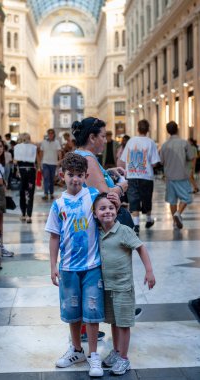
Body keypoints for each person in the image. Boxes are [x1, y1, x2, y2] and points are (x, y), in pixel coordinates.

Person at [45, 153, 120, 377]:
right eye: (71, 175)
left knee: (93, 311)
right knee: (73, 312)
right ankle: (77, 350)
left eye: (79, 175)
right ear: (62, 176)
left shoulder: (93, 195)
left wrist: (116, 196)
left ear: (86, 176)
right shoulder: (58, 205)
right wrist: (52, 265)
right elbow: (54, 237)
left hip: (92, 266)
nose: (75, 179)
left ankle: (94, 355)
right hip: (68, 268)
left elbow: (108, 206)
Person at [72, 117, 142, 321]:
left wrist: (109, 172)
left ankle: (113, 311)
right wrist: (122, 186)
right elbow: (106, 196)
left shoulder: (80, 154)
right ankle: (117, 312)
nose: (105, 140)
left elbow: (93, 182)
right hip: (100, 223)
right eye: (102, 136)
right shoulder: (88, 158)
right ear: (92, 137)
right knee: (113, 273)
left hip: (86, 223)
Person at [93, 193, 155, 375]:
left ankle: (124, 359)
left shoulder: (124, 231)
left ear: (117, 210)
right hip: (107, 287)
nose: (107, 211)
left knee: (123, 323)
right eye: (102, 208)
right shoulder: (97, 233)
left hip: (123, 287)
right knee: (113, 321)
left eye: (111, 208)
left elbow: (141, 247)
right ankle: (117, 351)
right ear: (95, 213)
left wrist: (149, 271)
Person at [120, 119, 160, 235]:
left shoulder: (131, 141)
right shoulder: (151, 142)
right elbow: (154, 163)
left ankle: (136, 224)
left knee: (133, 199)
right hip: (146, 176)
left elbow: (123, 159)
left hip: (132, 175)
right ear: (148, 130)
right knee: (147, 198)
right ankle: (148, 220)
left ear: (137, 129)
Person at [160, 121, 195, 229]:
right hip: (182, 175)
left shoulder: (164, 145)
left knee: (172, 200)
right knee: (186, 197)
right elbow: (191, 156)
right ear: (177, 129)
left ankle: (175, 222)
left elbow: (161, 161)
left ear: (167, 131)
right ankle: (178, 213)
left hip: (169, 176)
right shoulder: (184, 143)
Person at [14, 133, 38, 223]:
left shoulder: (18, 147)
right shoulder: (32, 147)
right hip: (29, 171)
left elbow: (15, 161)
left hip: (24, 171)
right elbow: (36, 160)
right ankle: (27, 214)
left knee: (24, 192)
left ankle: (25, 214)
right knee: (28, 193)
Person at [40, 128, 62, 200]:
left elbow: (59, 151)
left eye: (52, 133)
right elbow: (41, 152)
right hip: (45, 162)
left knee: (52, 179)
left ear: (54, 134)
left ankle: (51, 193)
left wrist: (60, 160)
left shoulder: (57, 142)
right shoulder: (43, 142)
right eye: (49, 133)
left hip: (53, 163)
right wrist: (40, 161)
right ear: (48, 134)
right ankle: (46, 193)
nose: (50, 135)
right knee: (46, 178)